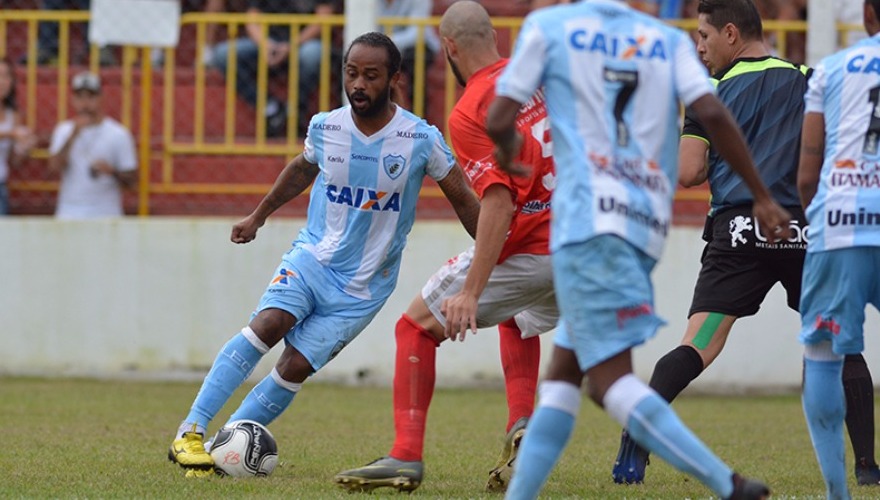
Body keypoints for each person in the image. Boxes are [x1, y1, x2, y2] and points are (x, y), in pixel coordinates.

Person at [485, 0, 792, 498]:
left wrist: (505, 151)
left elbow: (500, 115)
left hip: (587, 223)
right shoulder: (666, 40)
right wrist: (760, 194)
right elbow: (712, 111)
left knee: (609, 382)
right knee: (564, 376)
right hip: (643, 224)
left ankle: (730, 485)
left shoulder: (551, 26)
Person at [167, 31, 481, 478]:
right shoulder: (327, 126)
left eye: (371, 76)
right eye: (351, 73)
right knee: (269, 323)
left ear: (394, 79)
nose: (358, 84)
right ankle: (191, 431)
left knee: (294, 365)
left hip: (365, 287)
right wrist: (258, 216)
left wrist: (493, 250)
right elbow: (301, 169)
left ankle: (229, 443)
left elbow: (463, 197)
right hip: (312, 259)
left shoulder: (419, 138)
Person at [610, 0, 880, 487]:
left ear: (731, 34)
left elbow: (690, 172)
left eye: (704, 36)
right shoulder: (808, 77)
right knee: (839, 341)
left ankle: (636, 441)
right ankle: (865, 466)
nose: (699, 47)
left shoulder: (709, 92)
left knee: (699, 346)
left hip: (738, 233)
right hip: (801, 229)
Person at [333, 1, 553, 492]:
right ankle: (522, 424)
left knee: (414, 327)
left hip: (533, 248)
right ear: (492, 35)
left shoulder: (474, 108)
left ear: (449, 48)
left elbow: (496, 202)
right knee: (519, 315)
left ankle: (405, 455)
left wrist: (472, 290)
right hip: (580, 246)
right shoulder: (534, 82)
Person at [798, 0, 880, 498]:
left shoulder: (829, 69)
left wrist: (820, 217)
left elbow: (808, 172)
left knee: (823, 351)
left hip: (842, 221)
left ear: (869, 14)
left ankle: (837, 492)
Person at [211, 0, 335, 137]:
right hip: (269, 45)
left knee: (314, 53)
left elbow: (323, 18)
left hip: (302, 44)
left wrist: (291, 45)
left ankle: (294, 109)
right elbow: (252, 20)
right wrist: (265, 44)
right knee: (224, 54)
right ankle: (271, 108)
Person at [48, 71, 137, 219]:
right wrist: (73, 135)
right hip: (70, 212)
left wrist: (112, 171)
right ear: (73, 100)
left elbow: (132, 181)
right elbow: (54, 167)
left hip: (106, 213)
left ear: (101, 98)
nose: (85, 104)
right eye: (80, 97)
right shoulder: (63, 130)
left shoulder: (118, 134)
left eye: (91, 97)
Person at [377, 0, 441, 113]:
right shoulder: (369, 3)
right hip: (387, 48)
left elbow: (415, 34)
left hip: (418, 46)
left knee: (416, 59)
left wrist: (384, 41)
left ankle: (419, 117)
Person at [0, 57, 37, 215]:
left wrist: (24, 147)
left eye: (6, 76)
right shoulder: (12, 128)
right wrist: (12, 134)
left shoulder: (13, 115)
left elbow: (14, 161)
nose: (2, 81)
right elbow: (11, 135)